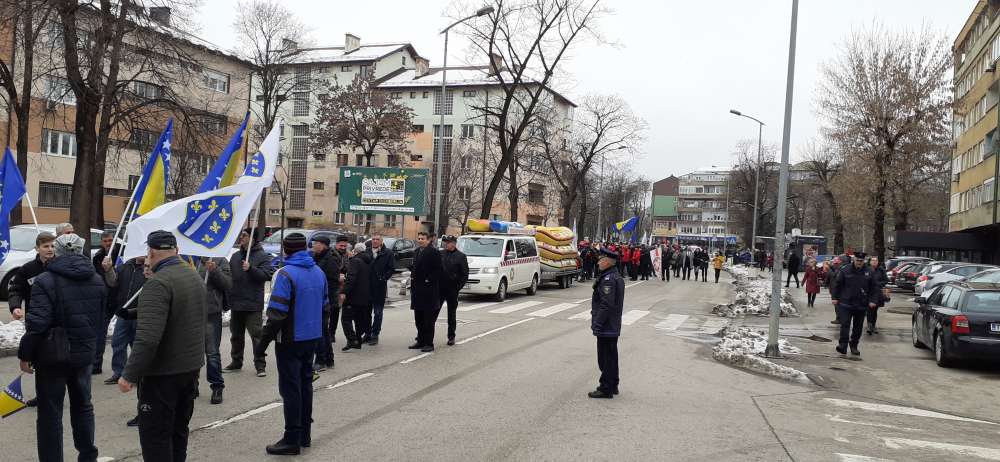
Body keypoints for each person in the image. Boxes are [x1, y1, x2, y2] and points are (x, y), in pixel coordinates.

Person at [117, 230, 206, 462]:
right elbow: (180, 311)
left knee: (156, 439)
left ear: (151, 252)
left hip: (163, 375)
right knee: (178, 432)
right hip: (190, 369)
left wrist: (129, 374)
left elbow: (147, 339)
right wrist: (134, 312)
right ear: (176, 250)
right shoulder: (192, 275)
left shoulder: (158, 283)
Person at [17, 233, 105, 462]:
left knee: (50, 414)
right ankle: (88, 456)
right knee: (83, 406)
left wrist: (25, 354)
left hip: (52, 356)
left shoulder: (45, 280)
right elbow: (101, 317)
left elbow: (37, 323)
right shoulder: (96, 279)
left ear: (57, 251)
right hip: (83, 353)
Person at [254, 233, 326, 456]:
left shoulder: (284, 274)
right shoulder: (318, 271)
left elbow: (276, 314)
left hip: (290, 339)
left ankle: (291, 438)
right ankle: (305, 434)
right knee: (306, 385)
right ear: (305, 248)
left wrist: (261, 344)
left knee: (291, 389)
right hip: (311, 337)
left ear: (285, 250)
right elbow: (326, 307)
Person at [101, 255, 148, 427]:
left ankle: (136, 374)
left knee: (138, 347)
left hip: (140, 313)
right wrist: (108, 270)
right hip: (124, 312)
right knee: (117, 342)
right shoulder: (126, 266)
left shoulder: (150, 268)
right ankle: (119, 372)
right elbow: (113, 282)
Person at [225, 229, 274, 377]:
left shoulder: (262, 256)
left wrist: (251, 269)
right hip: (236, 302)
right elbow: (229, 278)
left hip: (252, 304)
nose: (241, 237)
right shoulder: (235, 256)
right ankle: (236, 362)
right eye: (241, 235)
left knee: (256, 335)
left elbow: (266, 275)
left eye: (244, 235)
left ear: (253, 238)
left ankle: (260, 365)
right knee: (236, 336)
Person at [588, 247, 625, 399]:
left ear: (607, 262)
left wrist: (597, 323)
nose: (598, 263)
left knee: (605, 358)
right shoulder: (615, 276)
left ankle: (606, 388)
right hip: (612, 324)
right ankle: (613, 384)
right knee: (611, 356)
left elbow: (606, 305)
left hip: (607, 325)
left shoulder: (608, 279)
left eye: (600, 260)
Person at [830, 253, 879, 357]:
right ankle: (842, 345)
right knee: (845, 325)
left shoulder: (869, 271)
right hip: (846, 303)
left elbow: (874, 288)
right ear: (854, 260)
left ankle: (854, 345)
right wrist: (834, 297)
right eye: (857, 261)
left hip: (861, 304)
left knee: (858, 327)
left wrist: (873, 300)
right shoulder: (845, 270)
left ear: (864, 261)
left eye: (861, 261)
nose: (859, 263)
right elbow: (837, 284)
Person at [198, 255, 232, 404]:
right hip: (190, 312)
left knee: (212, 353)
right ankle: (191, 385)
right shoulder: (188, 258)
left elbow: (227, 284)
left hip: (211, 312)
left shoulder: (219, 260)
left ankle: (217, 386)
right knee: (191, 352)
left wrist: (214, 270)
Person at [311, 235, 347, 369]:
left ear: (323, 245)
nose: (314, 246)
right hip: (319, 298)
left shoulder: (331, 259)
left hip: (325, 299)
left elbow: (332, 281)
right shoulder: (317, 257)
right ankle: (329, 359)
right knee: (323, 331)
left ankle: (321, 360)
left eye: (316, 243)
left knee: (320, 330)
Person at [409, 231, 442, 352]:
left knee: (428, 320)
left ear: (428, 240)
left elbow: (438, 270)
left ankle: (429, 343)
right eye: (419, 238)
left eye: (422, 239)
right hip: (417, 290)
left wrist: (429, 279)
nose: (420, 240)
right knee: (419, 319)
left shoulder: (434, 252)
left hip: (429, 291)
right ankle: (420, 340)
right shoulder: (417, 251)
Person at [92, 230, 119, 375]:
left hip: (121, 297)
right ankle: (96, 364)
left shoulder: (122, 252)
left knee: (124, 336)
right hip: (105, 299)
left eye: (110, 240)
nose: (108, 243)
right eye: (105, 241)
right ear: (102, 242)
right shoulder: (98, 257)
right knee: (100, 333)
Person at [340, 242, 372, 351]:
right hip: (364, 296)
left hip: (353, 296)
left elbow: (351, 278)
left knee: (345, 319)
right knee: (359, 319)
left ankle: (352, 339)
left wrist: (344, 292)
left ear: (354, 251)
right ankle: (357, 341)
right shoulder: (368, 260)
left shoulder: (355, 261)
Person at [440, 235, 469, 346]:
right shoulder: (441, 253)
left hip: (452, 289)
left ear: (454, 243)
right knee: (433, 313)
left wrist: (457, 288)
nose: (446, 244)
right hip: (440, 289)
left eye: (448, 242)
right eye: (446, 242)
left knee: (451, 314)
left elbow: (464, 274)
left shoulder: (461, 256)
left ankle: (451, 336)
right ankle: (428, 337)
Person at [366, 234, 395, 345]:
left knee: (378, 312)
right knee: (366, 312)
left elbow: (391, 269)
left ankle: (375, 334)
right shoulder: (367, 251)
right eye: (373, 239)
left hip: (380, 287)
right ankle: (367, 333)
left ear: (381, 241)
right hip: (367, 287)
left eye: (377, 239)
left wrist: (383, 278)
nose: (375, 241)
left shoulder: (388, 253)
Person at [867, 257, 889, 335]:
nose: (874, 262)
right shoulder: (866, 269)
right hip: (868, 292)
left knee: (874, 310)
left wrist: (878, 284)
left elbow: (886, 280)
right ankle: (869, 326)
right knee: (869, 310)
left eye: (876, 260)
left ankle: (873, 325)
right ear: (870, 262)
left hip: (877, 292)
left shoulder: (881, 270)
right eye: (872, 260)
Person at [827, 257, 843, 324]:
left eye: (836, 262)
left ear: (840, 262)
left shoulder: (841, 269)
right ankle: (839, 318)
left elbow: (833, 275)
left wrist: (830, 270)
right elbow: (828, 278)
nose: (835, 263)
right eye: (834, 261)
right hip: (833, 289)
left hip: (838, 290)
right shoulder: (834, 268)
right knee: (837, 306)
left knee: (838, 305)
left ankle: (839, 319)